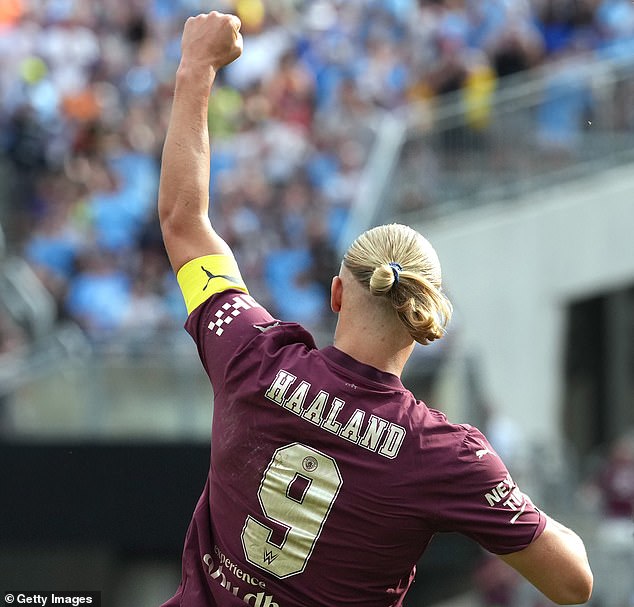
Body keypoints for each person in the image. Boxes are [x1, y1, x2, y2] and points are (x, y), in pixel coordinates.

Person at [158, 11, 593, 607]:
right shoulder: (445, 455)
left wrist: (196, 69)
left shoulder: (249, 353)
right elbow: (573, 584)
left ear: (338, 294)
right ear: (425, 320)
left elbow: (184, 223)